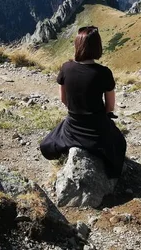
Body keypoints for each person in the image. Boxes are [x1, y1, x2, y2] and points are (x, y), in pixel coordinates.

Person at [39, 26, 126, 179]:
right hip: (98, 129)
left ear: (78, 45)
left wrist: (77, 110)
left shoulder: (66, 68)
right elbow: (110, 107)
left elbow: (63, 99)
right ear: (97, 47)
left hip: (72, 126)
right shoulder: (104, 72)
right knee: (119, 143)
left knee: (48, 142)